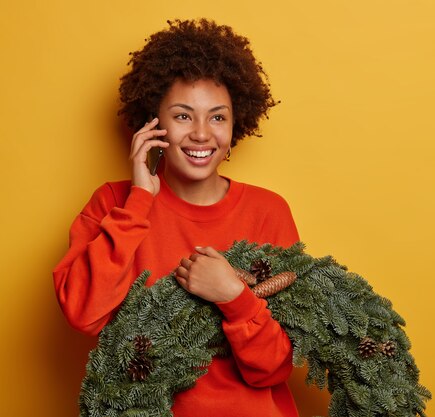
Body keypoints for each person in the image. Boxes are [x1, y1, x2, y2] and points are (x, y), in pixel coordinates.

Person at [53, 19, 300, 417]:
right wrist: (138, 203)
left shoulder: (268, 211)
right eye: (184, 116)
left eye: (217, 117)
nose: (202, 134)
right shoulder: (112, 202)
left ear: (237, 124)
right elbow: (83, 314)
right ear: (154, 123)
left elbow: (274, 368)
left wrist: (232, 297)